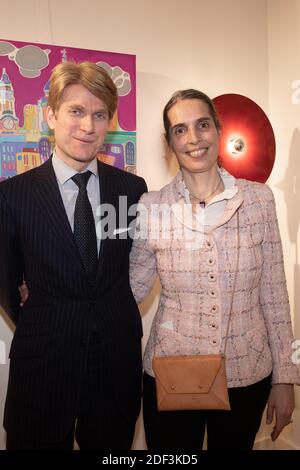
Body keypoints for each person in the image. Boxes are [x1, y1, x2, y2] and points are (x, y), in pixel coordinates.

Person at [129, 89, 300, 450]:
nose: (193, 139)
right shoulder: (152, 206)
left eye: (202, 125)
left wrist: (285, 377)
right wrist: (56, 286)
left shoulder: (258, 200)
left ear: (218, 129)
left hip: (246, 374)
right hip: (171, 374)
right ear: (169, 142)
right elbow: (129, 288)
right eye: (180, 130)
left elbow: (274, 295)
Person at [0, 61, 147, 450]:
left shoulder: (132, 190)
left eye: (99, 115)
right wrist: (47, 313)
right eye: (76, 112)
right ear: (50, 115)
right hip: (43, 363)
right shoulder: (13, 195)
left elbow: (136, 271)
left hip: (114, 365)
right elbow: (6, 284)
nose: (88, 126)